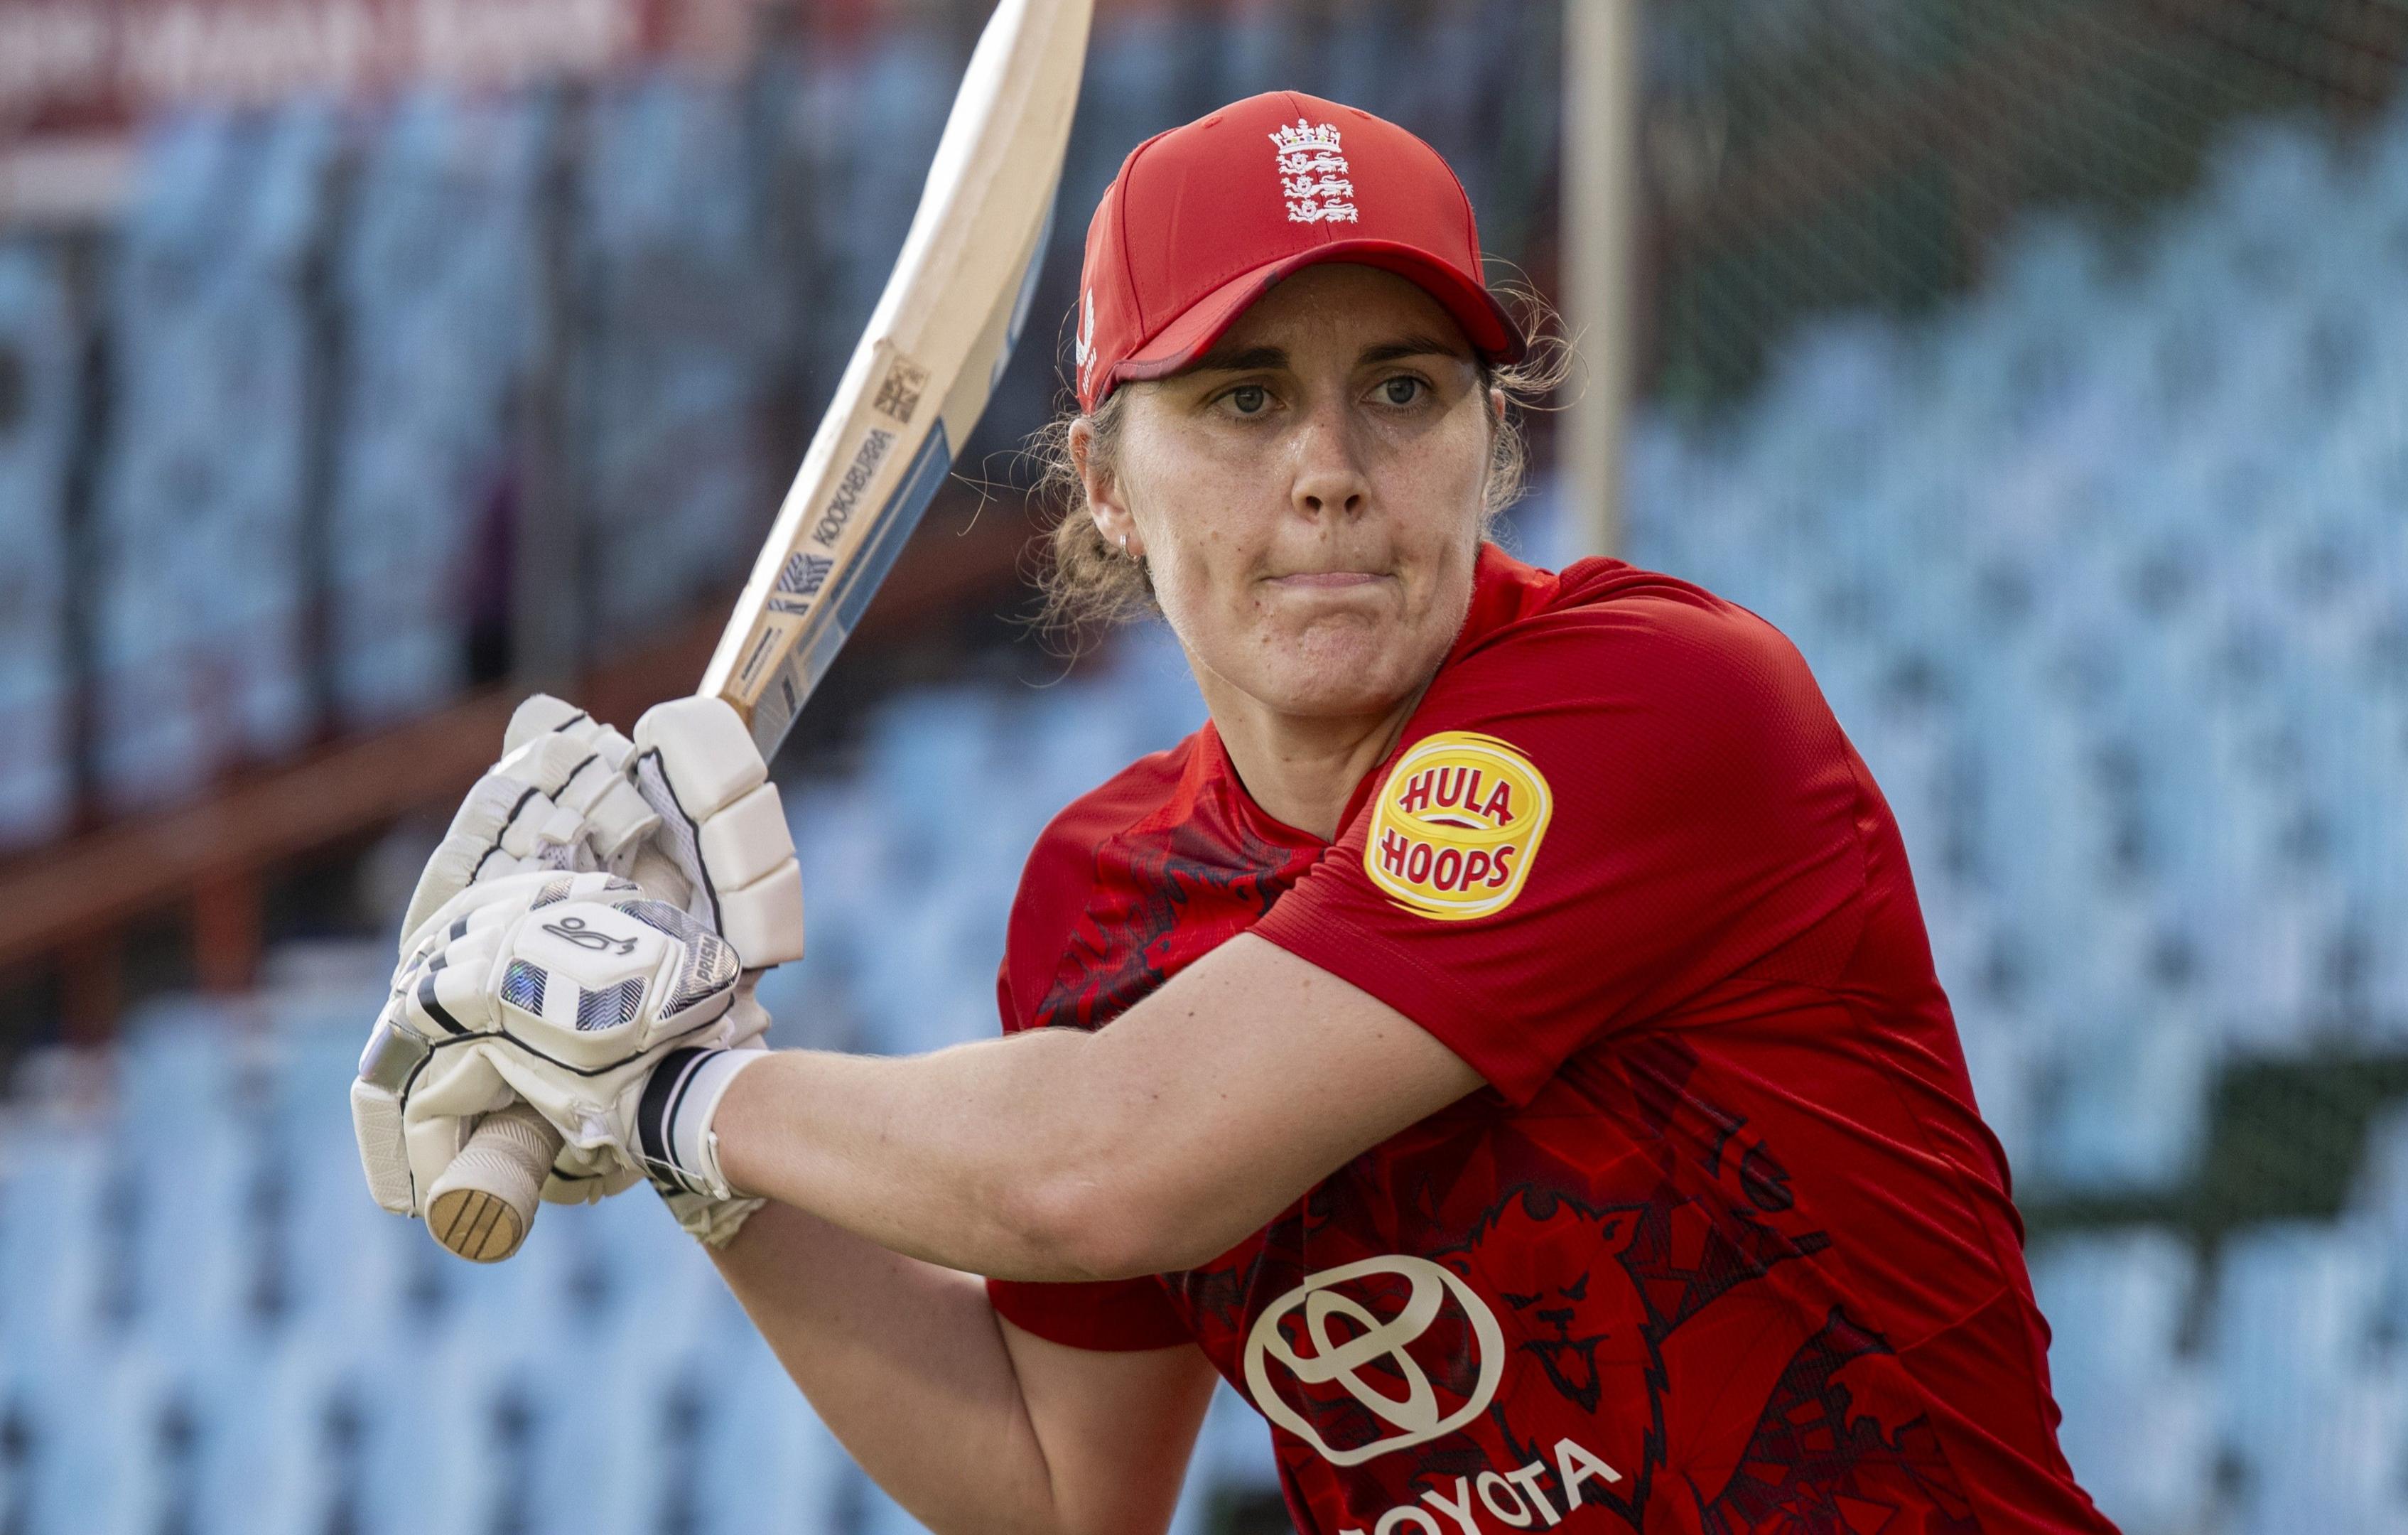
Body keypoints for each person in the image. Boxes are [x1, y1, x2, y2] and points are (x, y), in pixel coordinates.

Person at [360, 92, 2120, 1535]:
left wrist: (672, 1082)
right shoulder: (1103, 898)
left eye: (1405, 391)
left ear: (1491, 453)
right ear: (1108, 488)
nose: (1333, 466)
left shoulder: (1651, 705)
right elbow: (1059, 1489)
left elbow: (1106, 1167)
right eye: (1244, 398)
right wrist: (710, 1135)